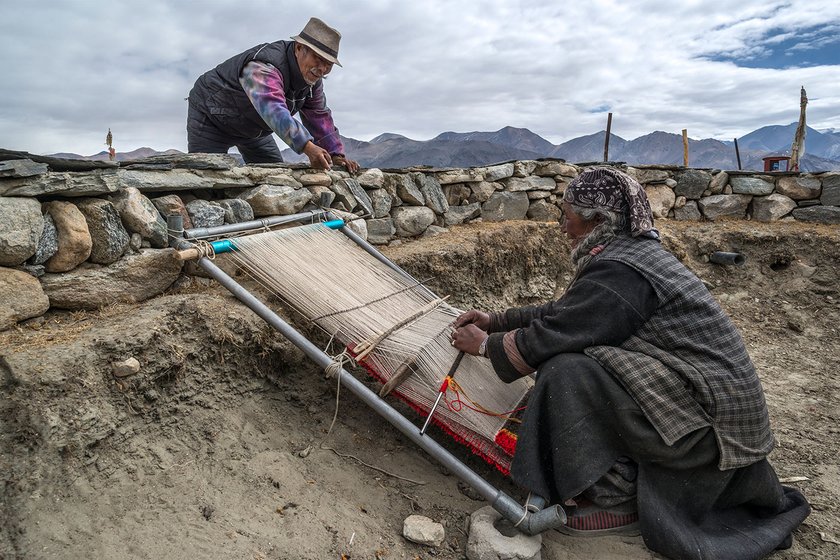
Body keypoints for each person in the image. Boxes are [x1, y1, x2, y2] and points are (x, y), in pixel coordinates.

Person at [450, 167, 810, 560]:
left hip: (712, 434)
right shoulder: (630, 256)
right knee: (583, 360)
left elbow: (557, 333)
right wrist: (498, 321)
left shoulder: (623, 270)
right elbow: (568, 312)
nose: (562, 226)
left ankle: (615, 498)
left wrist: (486, 345)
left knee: (567, 371)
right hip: (708, 410)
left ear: (598, 220)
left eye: (567, 215)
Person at [187, 17, 359, 173]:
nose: (322, 69)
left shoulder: (313, 80)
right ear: (299, 48)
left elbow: (319, 115)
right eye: (318, 59)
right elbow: (273, 108)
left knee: (276, 177)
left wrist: (336, 154)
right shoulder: (263, 66)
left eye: (328, 64)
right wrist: (307, 147)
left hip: (254, 129)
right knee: (206, 179)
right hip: (212, 118)